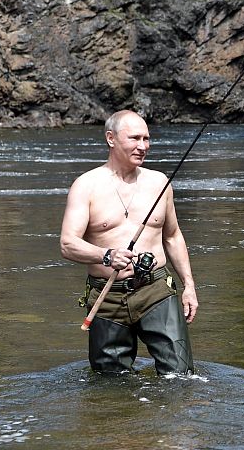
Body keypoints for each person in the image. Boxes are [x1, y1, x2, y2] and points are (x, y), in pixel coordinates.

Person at [60, 110, 198, 374]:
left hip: (155, 289)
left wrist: (189, 286)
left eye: (147, 138)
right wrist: (106, 255)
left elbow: (172, 235)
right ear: (111, 139)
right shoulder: (86, 186)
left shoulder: (160, 183)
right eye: (134, 138)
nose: (143, 146)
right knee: (111, 384)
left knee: (180, 376)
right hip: (106, 296)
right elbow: (68, 244)